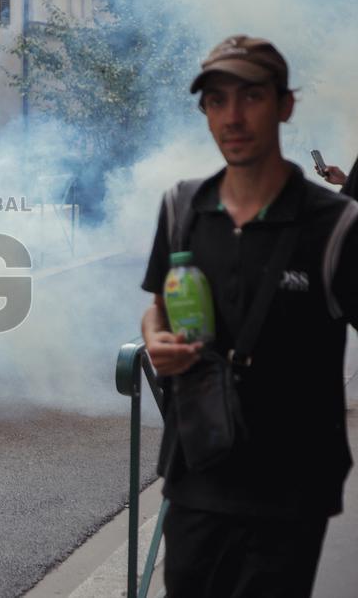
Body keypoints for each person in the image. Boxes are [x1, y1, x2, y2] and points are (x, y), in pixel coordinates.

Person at [141, 35, 356, 597]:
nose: (232, 117)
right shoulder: (181, 207)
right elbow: (157, 309)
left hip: (290, 487)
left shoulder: (336, 225)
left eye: (251, 97)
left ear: (285, 105)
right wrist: (156, 340)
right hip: (197, 470)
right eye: (216, 101)